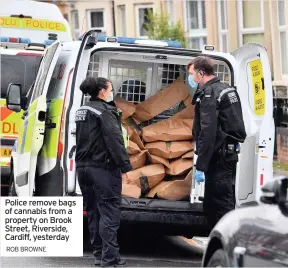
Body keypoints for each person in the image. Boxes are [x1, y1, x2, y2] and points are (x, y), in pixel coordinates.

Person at [75, 77, 133, 267]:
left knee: (93, 212)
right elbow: (115, 141)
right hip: (103, 169)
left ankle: (99, 255)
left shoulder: (82, 110)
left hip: (83, 169)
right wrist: (125, 167)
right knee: (109, 213)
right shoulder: (105, 112)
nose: (112, 92)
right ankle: (110, 258)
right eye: (110, 89)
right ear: (102, 91)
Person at [187, 56, 247, 230]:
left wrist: (201, 165)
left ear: (201, 73)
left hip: (219, 157)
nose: (190, 78)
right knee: (216, 202)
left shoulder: (209, 94)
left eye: (191, 74)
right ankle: (218, 246)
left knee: (220, 204)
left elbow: (208, 132)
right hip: (226, 154)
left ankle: (225, 247)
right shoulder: (226, 89)